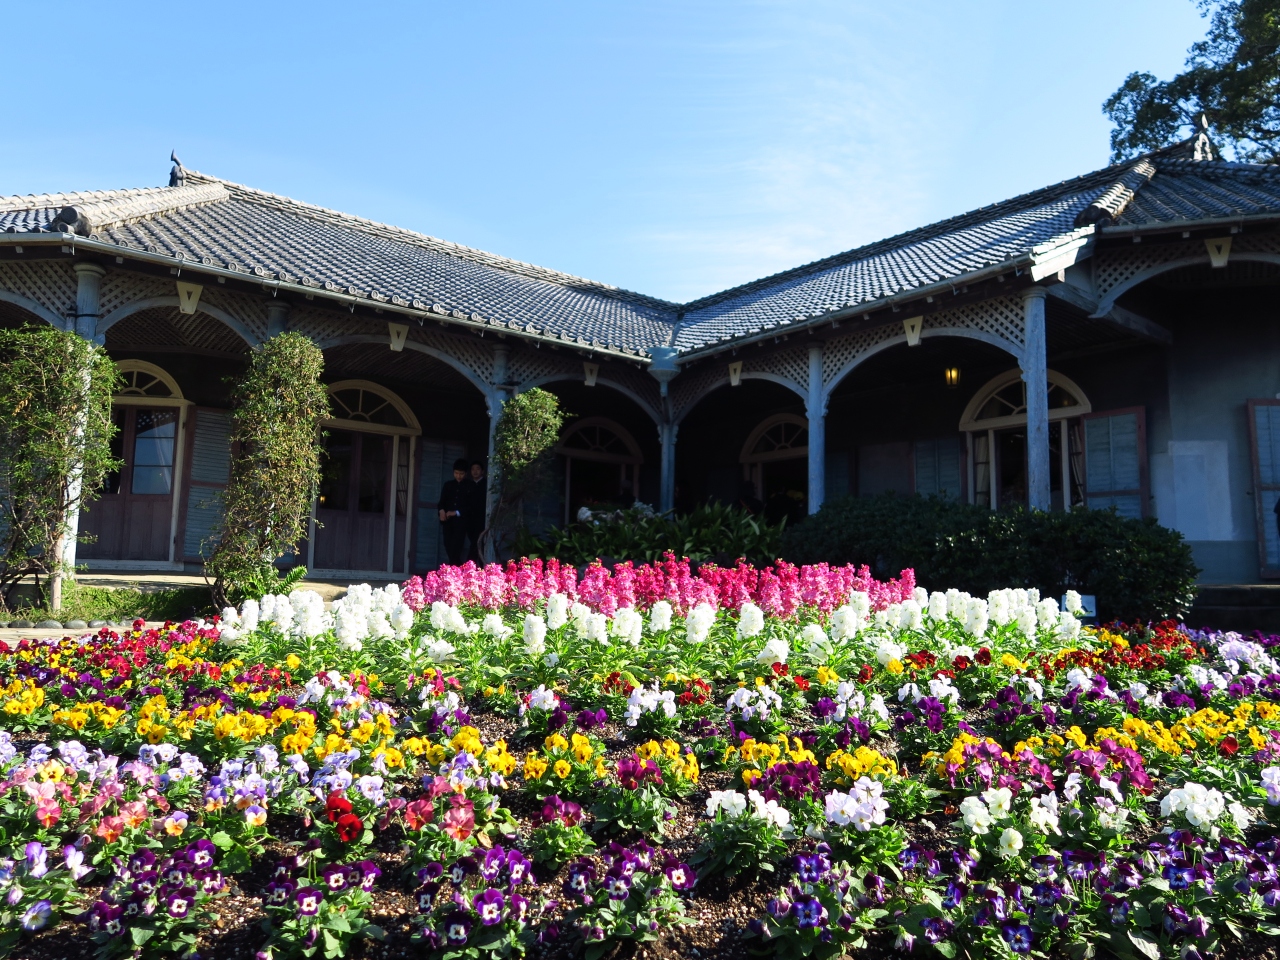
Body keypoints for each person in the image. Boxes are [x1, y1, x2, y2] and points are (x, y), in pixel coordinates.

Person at [438, 458, 469, 566]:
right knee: (447, 545)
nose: (458, 476)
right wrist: (441, 511)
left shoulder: (468, 486)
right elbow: (441, 502)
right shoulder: (448, 485)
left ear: (465, 473)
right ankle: (457, 568)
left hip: (461, 522)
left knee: (457, 547)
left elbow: (470, 506)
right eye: (456, 473)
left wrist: (456, 512)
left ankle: (454, 569)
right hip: (448, 522)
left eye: (461, 473)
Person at [465, 459, 487, 563]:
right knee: (474, 542)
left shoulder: (486, 484)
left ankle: (470, 564)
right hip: (469, 519)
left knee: (478, 543)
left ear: (482, 471)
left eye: (478, 469)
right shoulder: (468, 484)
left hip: (482, 518)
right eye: (473, 469)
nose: (475, 471)